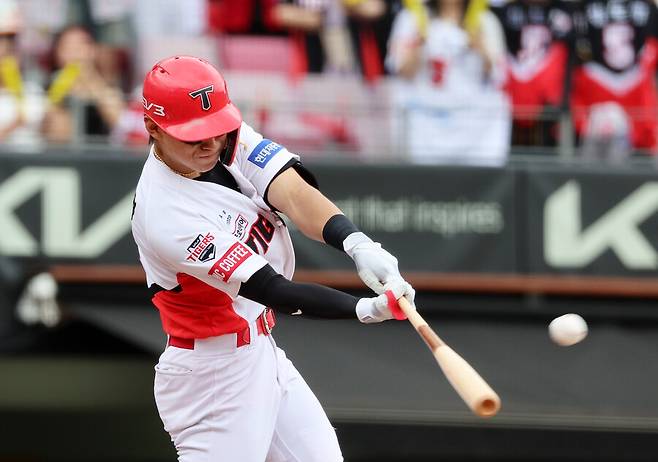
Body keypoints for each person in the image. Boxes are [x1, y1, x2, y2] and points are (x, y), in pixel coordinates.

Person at [131, 55, 415, 462]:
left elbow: (294, 194)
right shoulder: (164, 214)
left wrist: (357, 244)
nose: (210, 143)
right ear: (154, 128)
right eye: (193, 135)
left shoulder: (221, 135)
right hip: (212, 379)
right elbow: (274, 290)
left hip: (258, 349)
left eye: (215, 129)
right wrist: (365, 308)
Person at [386, 0, 510, 165]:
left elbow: (498, 75)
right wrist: (420, 43)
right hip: (424, 120)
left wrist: (480, 48)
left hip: (472, 124)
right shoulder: (412, 18)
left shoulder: (485, 20)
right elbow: (400, 70)